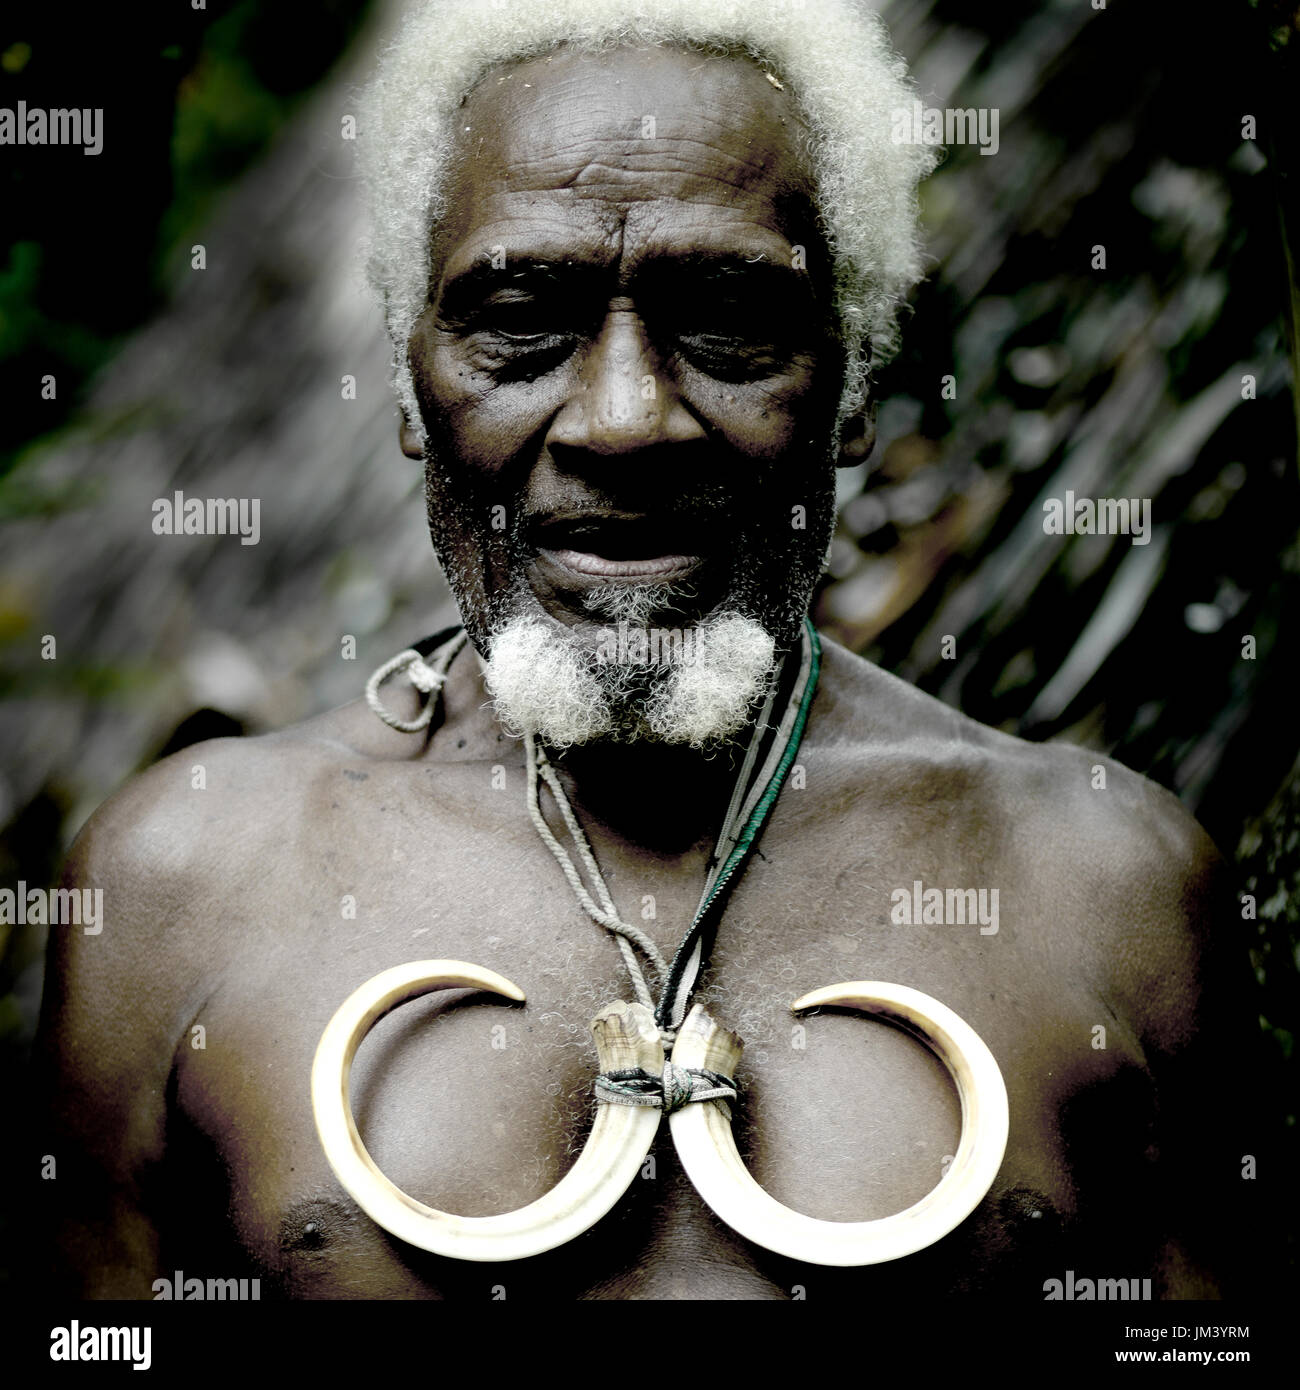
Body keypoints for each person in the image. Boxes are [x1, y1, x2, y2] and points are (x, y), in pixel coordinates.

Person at [36, 0, 1257, 1300]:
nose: (625, 423)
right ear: (409, 387)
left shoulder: (1108, 888)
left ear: (849, 383)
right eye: (523, 318)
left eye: (727, 319)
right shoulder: (179, 885)